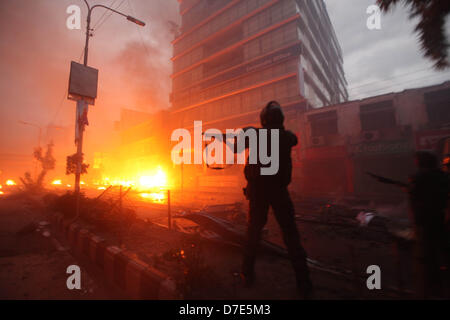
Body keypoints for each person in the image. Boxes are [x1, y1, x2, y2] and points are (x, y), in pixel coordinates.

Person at [233, 101, 313, 299]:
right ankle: (304, 283)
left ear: (263, 119)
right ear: (281, 119)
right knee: (291, 236)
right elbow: (293, 138)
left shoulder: (255, 135)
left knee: (253, 235)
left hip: (259, 193)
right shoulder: (286, 137)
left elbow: (236, 149)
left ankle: (247, 275)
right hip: (280, 193)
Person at [408, 151, 450, 298]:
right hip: (441, 217)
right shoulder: (443, 176)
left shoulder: (418, 178)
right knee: (443, 246)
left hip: (426, 220)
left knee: (428, 252)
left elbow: (414, 200)